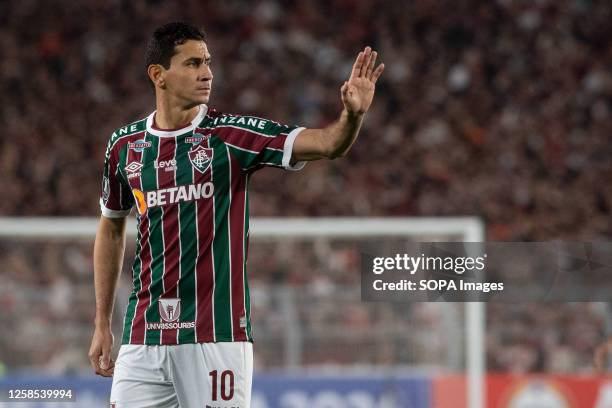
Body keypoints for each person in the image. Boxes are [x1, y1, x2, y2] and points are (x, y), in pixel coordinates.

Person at [88, 22, 384, 408]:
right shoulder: (125, 146)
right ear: (158, 75)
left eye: (208, 62)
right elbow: (111, 228)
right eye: (193, 63)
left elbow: (327, 144)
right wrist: (101, 324)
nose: (207, 73)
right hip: (144, 335)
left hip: (216, 335)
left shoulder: (229, 136)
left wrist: (353, 117)